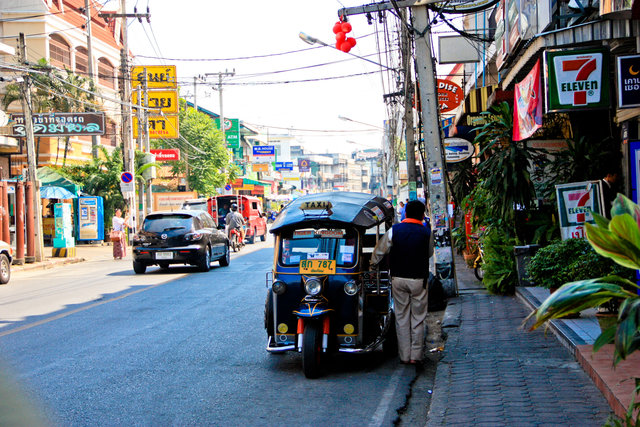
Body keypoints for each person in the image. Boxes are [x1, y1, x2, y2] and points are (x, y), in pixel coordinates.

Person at [370, 200, 434, 365]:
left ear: (405, 213)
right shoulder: (426, 232)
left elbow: (379, 251)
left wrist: (372, 267)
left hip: (398, 279)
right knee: (418, 318)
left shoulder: (394, 231)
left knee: (402, 317)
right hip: (419, 280)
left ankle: (405, 356)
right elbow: (429, 253)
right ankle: (416, 356)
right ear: (422, 215)